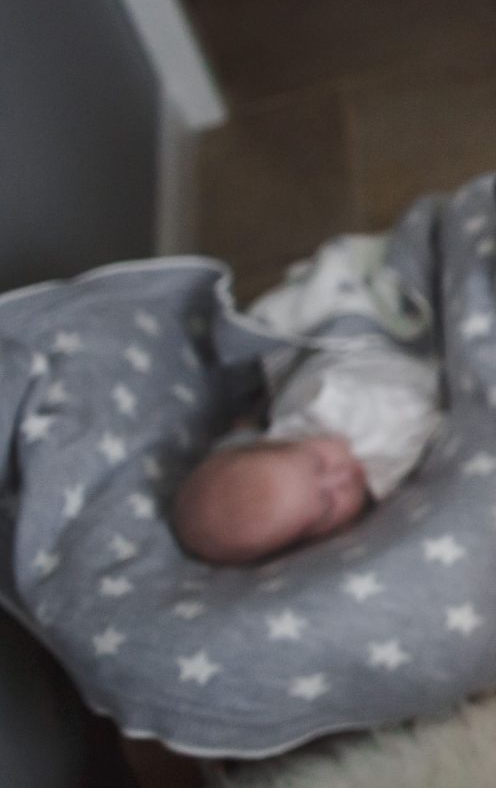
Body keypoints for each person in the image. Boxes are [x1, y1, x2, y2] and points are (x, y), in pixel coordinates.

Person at [175, 235, 444, 565]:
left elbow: (421, 398)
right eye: (327, 506)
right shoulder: (366, 501)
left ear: (277, 438)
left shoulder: (330, 406)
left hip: (382, 345)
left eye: (319, 464)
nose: (341, 477)